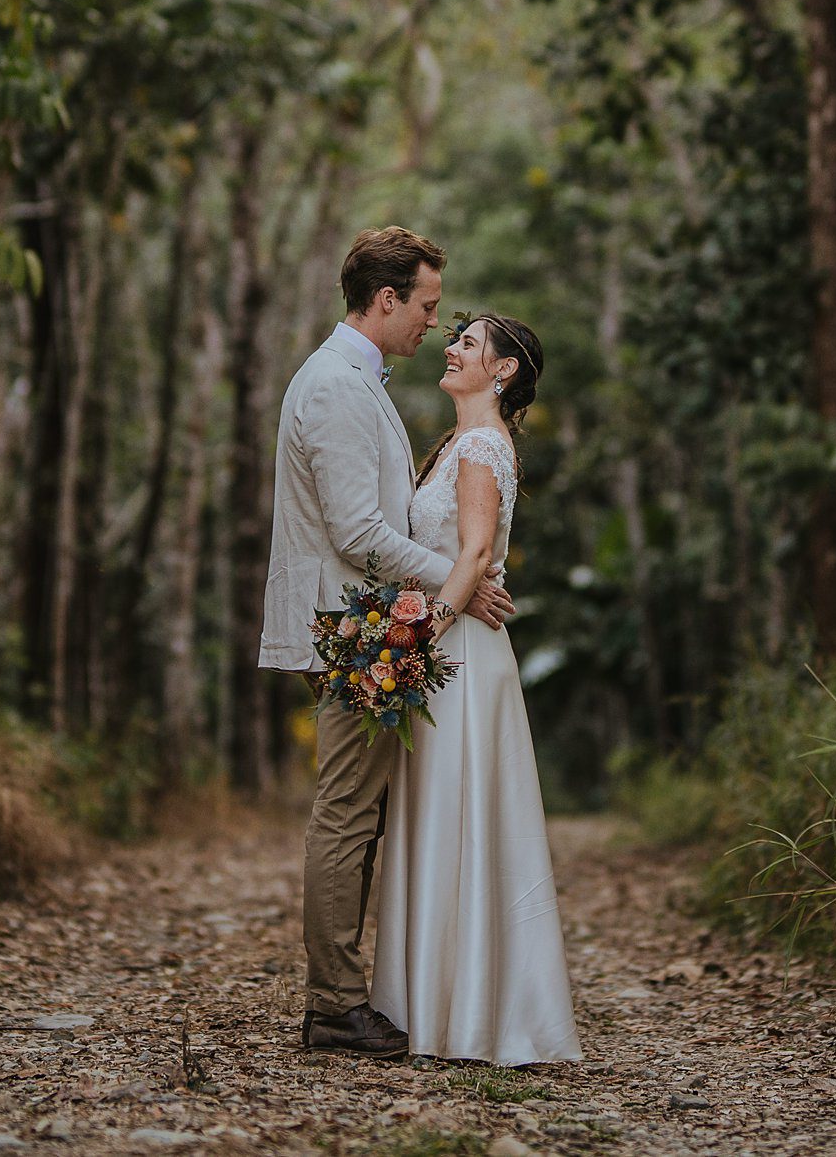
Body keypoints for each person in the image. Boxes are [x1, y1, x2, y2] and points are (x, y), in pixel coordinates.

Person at [260, 227, 515, 1056]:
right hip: (347, 629)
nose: (434, 326)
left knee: (360, 813)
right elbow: (359, 530)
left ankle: (348, 995)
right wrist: (460, 577)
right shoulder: (335, 384)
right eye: (428, 307)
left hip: (365, 624)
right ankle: (334, 1005)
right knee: (345, 814)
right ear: (386, 299)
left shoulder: (358, 379)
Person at [370, 311, 583, 1066]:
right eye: (453, 335)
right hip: (451, 645)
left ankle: (464, 1012)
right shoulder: (457, 445)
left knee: (457, 813)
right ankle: (431, 1001)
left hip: (456, 654)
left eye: (469, 341)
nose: (452, 346)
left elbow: (477, 549)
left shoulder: (484, 445)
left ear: (504, 371)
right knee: (439, 816)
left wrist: (415, 639)